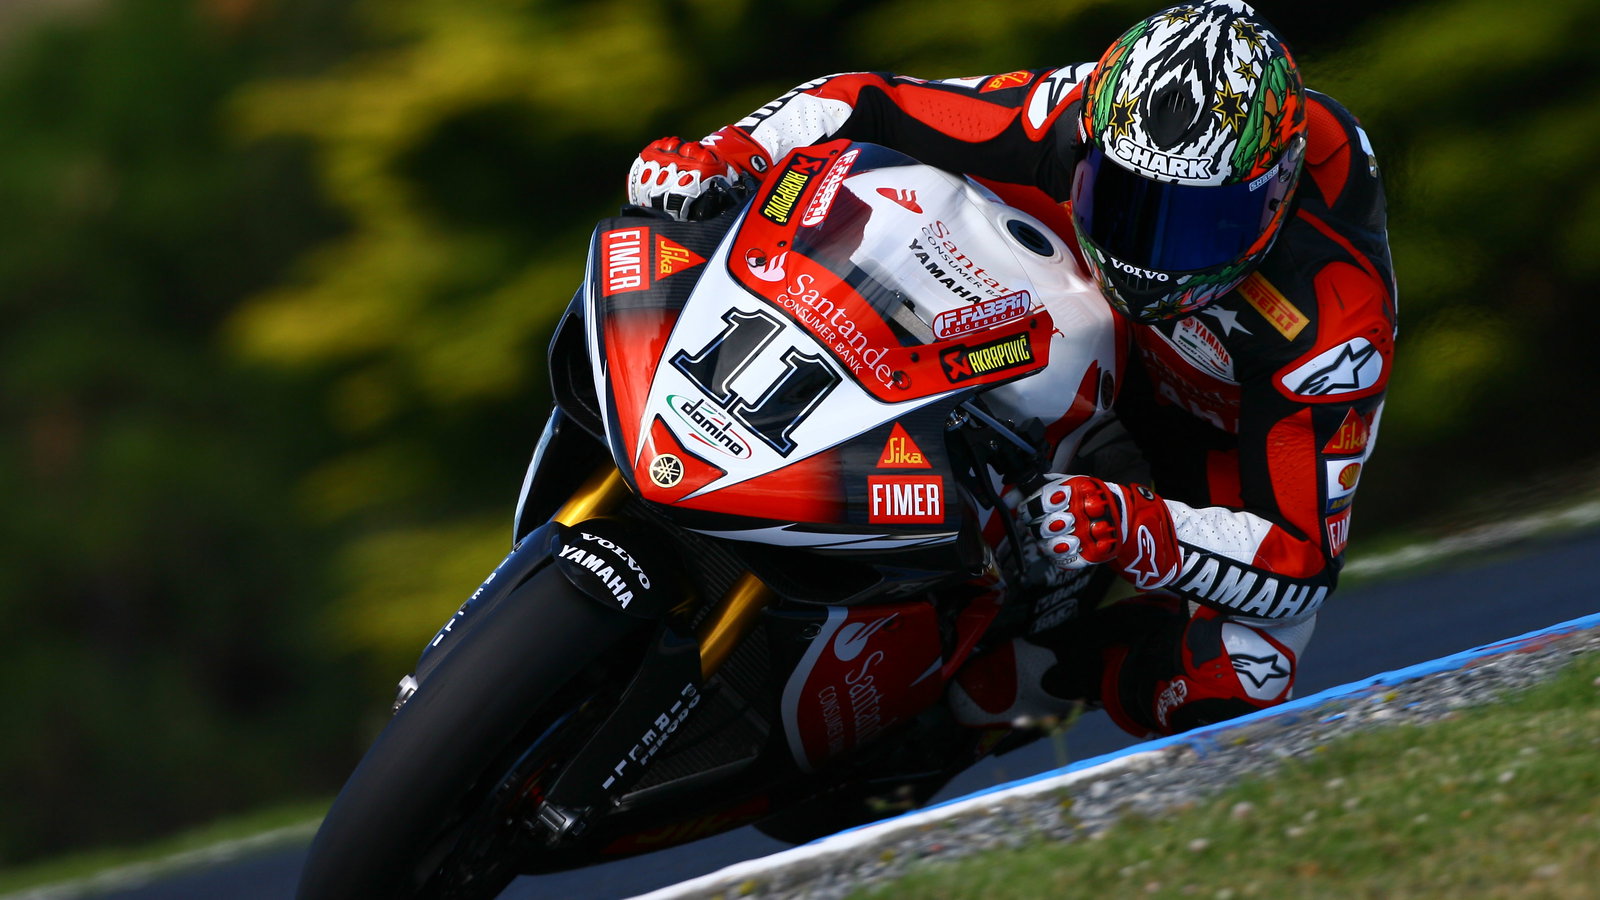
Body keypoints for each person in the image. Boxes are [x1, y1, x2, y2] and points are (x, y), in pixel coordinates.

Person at [626, 0, 1396, 737]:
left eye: (1198, 225)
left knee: (1247, 672)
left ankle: (1013, 686)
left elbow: (1299, 558)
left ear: (1272, 199)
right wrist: (724, 154)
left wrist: (1137, 528)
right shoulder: (1075, 111)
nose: (1148, 249)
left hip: (1207, 437)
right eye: (1124, 199)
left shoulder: (1334, 314)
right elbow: (867, 100)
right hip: (1032, 313)